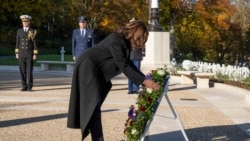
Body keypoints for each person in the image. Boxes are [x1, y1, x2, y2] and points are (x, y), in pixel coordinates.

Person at [67, 20, 160, 141]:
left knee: (94, 106)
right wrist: (144, 81)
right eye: (141, 39)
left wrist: (144, 79)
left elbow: (128, 63)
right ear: (135, 33)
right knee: (93, 105)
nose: (141, 43)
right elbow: (123, 65)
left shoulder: (123, 41)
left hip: (94, 69)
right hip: (88, 67)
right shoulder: (116, 39)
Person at [15, 15, 38, 91]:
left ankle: (29, 86)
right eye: (23, 22)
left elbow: (34, 43)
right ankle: (24, 85)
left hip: (29, 54)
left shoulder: (32, 31)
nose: (25, 23)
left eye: (26, 21)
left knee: (29, 71)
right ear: (22, 22)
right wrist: (17, 52)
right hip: (21, 53)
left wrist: (35, 54)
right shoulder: (19, 31)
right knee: (22, 71)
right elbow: (17, 42)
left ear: (29, 22)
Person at [127, 17, 145, 94]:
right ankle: (130, 89)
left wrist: (143, 54)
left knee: (136, 72)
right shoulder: (128, 32)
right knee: (130, 72)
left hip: (137, 54)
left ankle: (136, 88)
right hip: (130, 54)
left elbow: (143, 43)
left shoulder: (139, 32)